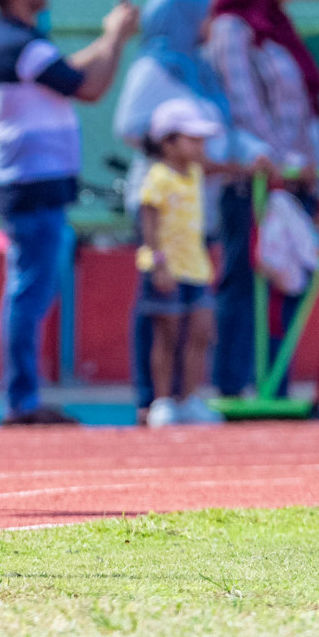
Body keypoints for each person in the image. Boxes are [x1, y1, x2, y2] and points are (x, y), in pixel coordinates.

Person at [0, 0, 137, 425]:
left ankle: (22, 396)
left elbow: (67, 69)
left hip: (30, 182)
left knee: (29, 288)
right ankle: (20, 399)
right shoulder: (19, 43)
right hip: (31, 184)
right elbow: (89, 87)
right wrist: (115, 37)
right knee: (29, 291)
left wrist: (105, 41)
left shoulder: (19, 43)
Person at [113, 0, 269, 419]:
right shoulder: (152, 66)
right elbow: (130, 124)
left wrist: (244, 156)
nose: (210, 23)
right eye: (202, 14)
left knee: (195, 314)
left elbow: (223, 127)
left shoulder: (200, 67)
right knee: (161, 310)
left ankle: (185, 396)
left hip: (196, 206)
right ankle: (152, 398)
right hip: (161, 206)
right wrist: (173, 148)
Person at [204, 0, 319, 398]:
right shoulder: (232, 29)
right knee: (245, 278)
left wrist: (310, 167)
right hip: (253, 180)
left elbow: (304, 109)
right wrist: (280, 163)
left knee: (292, 276)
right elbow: (243, 107)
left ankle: (274, 386)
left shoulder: (278, 29)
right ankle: (234, 385)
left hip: (295, 180)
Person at [134, 100, 223, 428]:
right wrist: (159, 263)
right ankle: (162, 402)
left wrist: (254, 167)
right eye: (192, 139)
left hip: (196, 268)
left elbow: (221, 168)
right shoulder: (157, 178)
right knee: (166, 337)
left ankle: (188, 398)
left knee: (201, 332)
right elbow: (149, 221)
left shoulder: (196, 171)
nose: (200, 146)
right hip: (166, 268)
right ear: (167, 142)